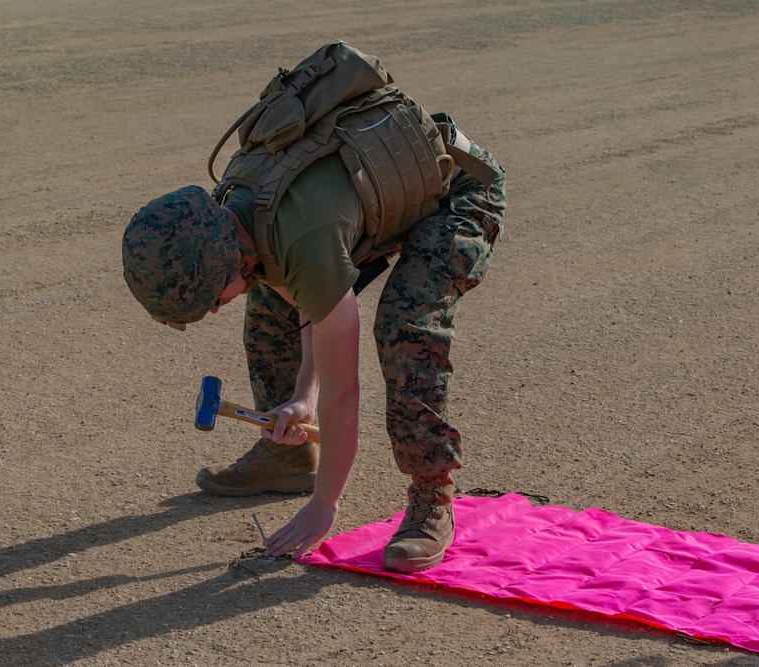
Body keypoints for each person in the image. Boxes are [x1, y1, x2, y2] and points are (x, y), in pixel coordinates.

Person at [122, 56, 506, 573]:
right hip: (366, 205)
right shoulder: (236, 212)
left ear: (228, 257)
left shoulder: (300, 237)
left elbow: (344, 388)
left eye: (213, 299)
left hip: (456, 193)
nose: (217, 307)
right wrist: (303, 401)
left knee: (405, 327)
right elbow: (307, 308)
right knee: (267, 304)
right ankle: (288, 453)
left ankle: (431, 493)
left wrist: (325, 505)